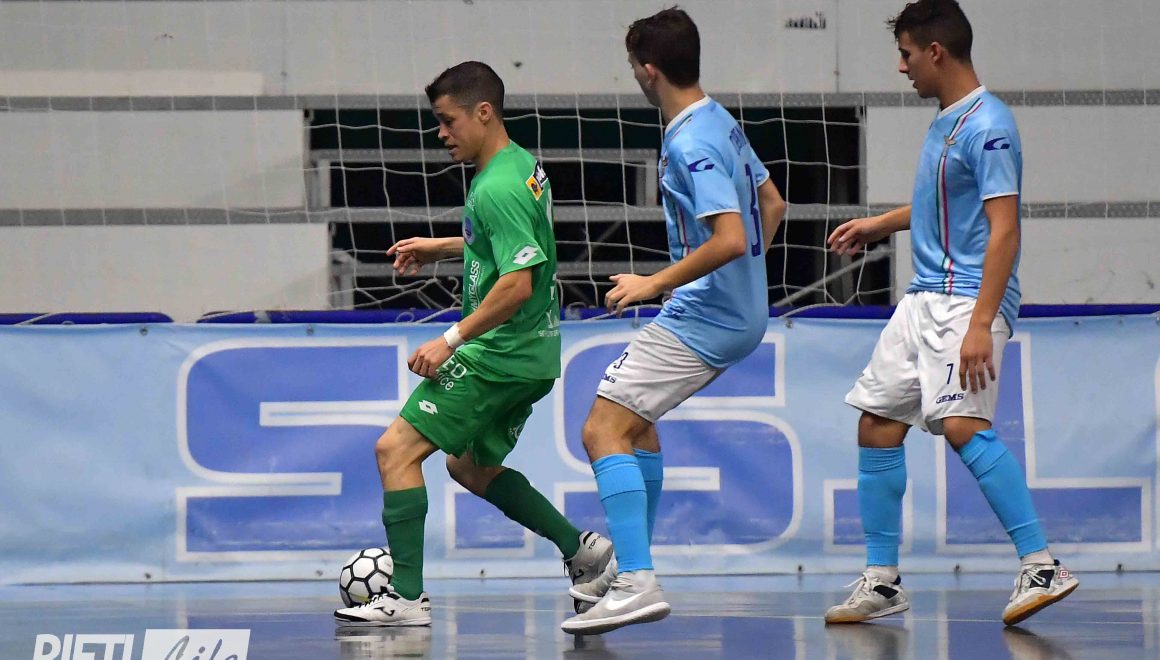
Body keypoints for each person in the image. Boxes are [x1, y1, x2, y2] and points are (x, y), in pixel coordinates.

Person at [822, 0, 1077, 626]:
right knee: (878, 423)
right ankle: (882, 582)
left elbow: (1004, 228)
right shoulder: (946, 121)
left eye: (906, 54)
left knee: (963, 426)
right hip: (923, 295)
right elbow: (944, 202)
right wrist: (880, 224)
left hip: (966, 299)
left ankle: (1042, 564)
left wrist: (981, 323)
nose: (901, 67)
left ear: (935, 52)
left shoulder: (989, 125)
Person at [334, 61, 612, 627]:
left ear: (483, 112)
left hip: (499, 354)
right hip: (533, 354)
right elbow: (510, 243)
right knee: (469, 467)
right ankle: (581, 552)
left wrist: (449, 339)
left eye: (448, 121)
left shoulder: (497, 187)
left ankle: (406, 598)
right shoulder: (521, 165)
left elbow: (517, 284)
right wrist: (440, 246)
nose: (441, 134)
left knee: (395, 451)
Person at [560, 7, 786, 635]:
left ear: (649, 70)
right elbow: (773, 202)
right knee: (637, 427)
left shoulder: (690, 140)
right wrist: (745, 286)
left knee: (601, 429)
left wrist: (654, 283)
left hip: (705, 314)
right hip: (734, 309)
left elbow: (731, 237)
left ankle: (636, 580)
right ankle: (629, 570)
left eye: (633, 65)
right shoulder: (719, 120)